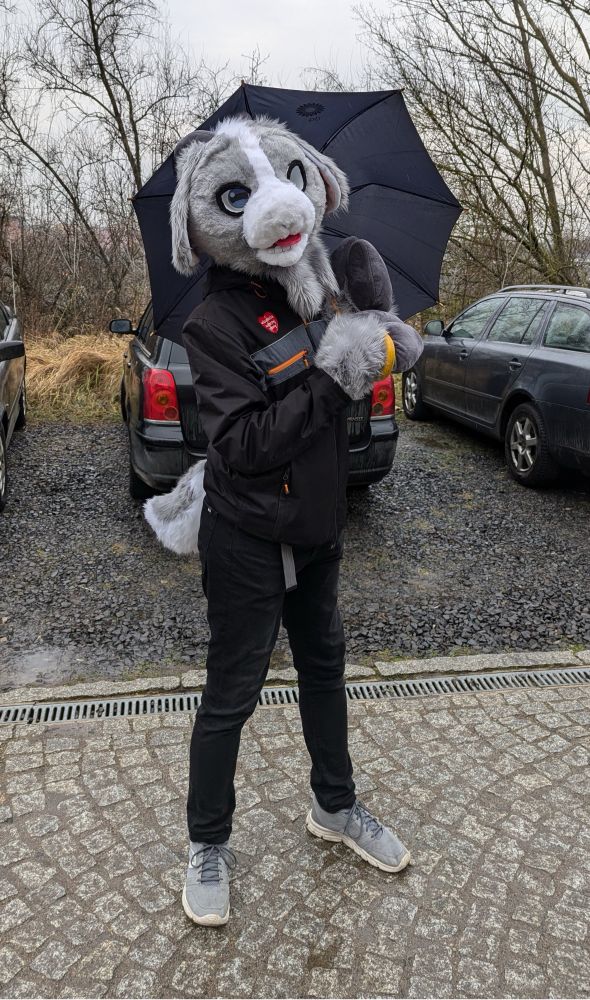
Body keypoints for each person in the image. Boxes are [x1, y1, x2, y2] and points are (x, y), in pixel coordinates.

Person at [162, 115, 423, 925]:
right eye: (237, 195)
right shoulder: (211, 325)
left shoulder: (320, 287)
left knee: (324, 671)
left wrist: (378, 339)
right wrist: (335, 375)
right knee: (231, 695)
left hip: (318, 528)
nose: (273, 207)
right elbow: (242, 445)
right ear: (207, 223)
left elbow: (346, 385)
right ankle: (208, 841)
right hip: (245, 539)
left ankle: (335, 807)